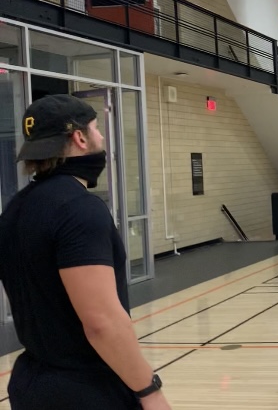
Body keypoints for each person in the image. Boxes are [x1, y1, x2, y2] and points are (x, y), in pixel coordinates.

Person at [0, 95, 171, 409]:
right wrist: (150, 391)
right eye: (96, 128)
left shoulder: (14, 210)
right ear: (79, 137)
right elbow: (101, 322)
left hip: (30, 385)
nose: (101, 138)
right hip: (88, 391)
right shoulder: (79, 209)